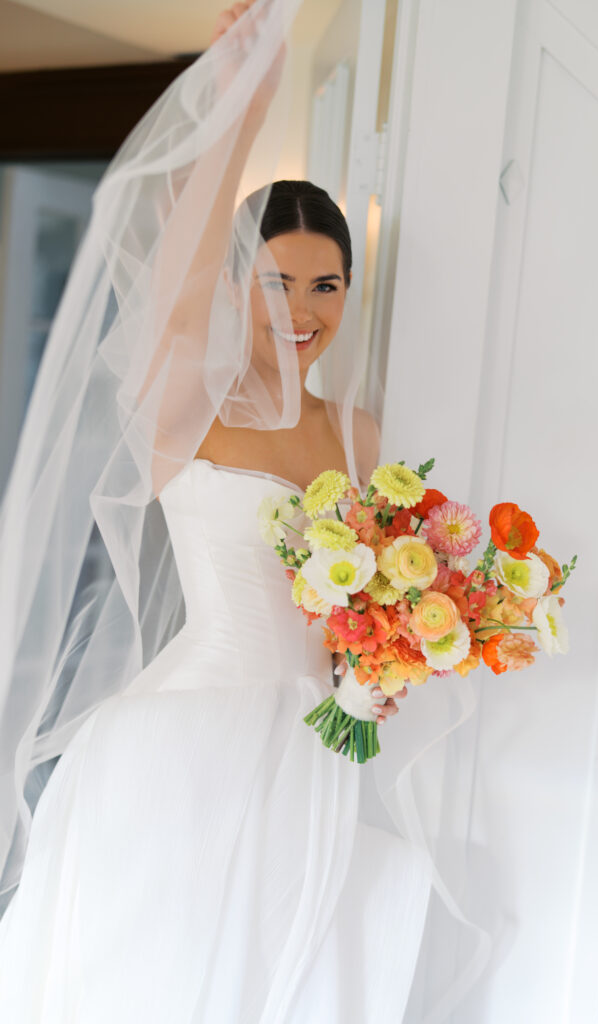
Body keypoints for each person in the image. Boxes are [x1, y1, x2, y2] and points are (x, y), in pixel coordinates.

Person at [0, 2, 489, 1020]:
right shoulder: (187, 414)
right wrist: (240, 99)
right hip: (190, 745)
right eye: (275, 283)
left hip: (314, 753)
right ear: (236, 286)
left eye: (326, 284)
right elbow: (174, 285)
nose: (301, 311)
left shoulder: (358, 437)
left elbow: (360, 604)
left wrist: (386, 658)